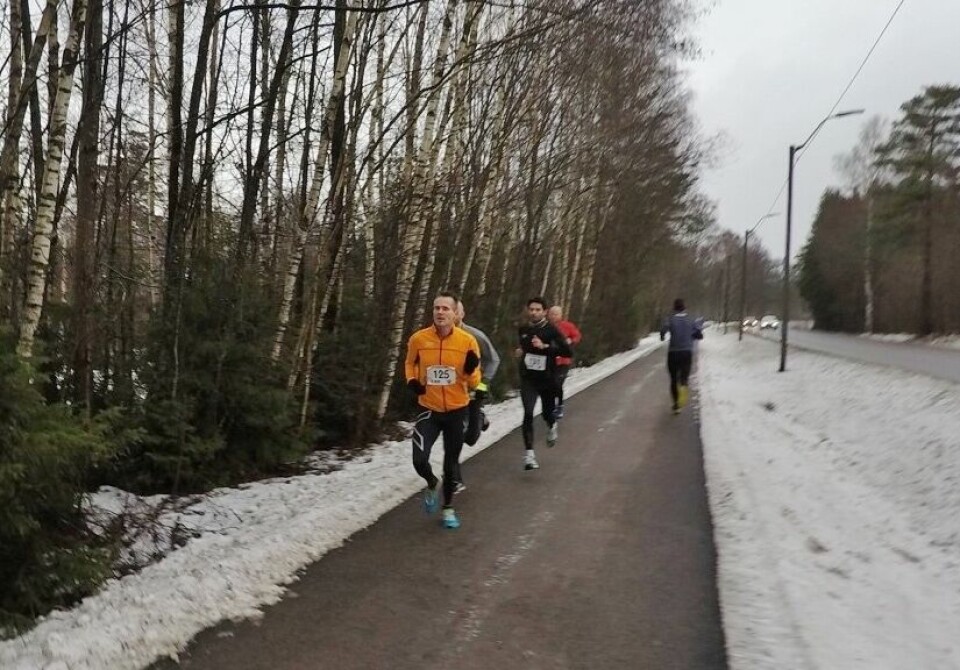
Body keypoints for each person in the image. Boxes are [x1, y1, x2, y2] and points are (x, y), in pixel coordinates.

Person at [404, 291, 482, 529]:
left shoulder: (467, 341)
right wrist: (412, 381)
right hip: (429, 409)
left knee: (451, 463)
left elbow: (474, 382)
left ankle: (448, 508)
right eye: (436, 308)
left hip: (457, 411)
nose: (440, 312)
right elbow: (410, 363)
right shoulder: (419, 338)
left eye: (445, 309)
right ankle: (430, 482)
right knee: (419, 459)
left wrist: (470, 370)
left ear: (455, 313)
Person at [516, 297, 572, 470]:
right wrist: (521, 352)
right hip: (528, 379)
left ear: (544, 312)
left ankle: (552, 425)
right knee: (528, 413)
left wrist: (545, 347)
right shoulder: (523, 329)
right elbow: (525, 348)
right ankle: (529, 455)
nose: (534, 312)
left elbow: (567, 351)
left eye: (537, 310)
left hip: (548, 379)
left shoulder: (552, 330)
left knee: (548, 413)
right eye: (531, 309)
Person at [451, 300, 501, 493]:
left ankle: (479, 418)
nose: (450, 315)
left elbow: (493, 359)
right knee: (453, 434)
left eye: (455, 311)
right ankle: (454, 479)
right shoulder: (435, 336)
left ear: (461, 315)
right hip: (449, 394)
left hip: (473, 392)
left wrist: (483, 383)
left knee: (470, 438)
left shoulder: (475, 336)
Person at [659, 298, 703, 414]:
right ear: (684, 307)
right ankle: (683, 386)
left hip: (673, 352)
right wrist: (696, 336)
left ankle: (676, 405)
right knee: (684, 377)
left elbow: (664, 329)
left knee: (673, 379)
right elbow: (698, 333)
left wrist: (662, 336)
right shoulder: (691, 319)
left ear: (674, 307)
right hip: (686, 352)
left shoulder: (670, 318)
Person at [546, 305, 582, 419]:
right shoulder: (546, 327)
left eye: (556, 314)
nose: (553, 316)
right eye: (552, 313)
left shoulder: (567, 326)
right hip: (549, 361)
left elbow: (577, 335)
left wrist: (570, 340)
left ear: (561, 315)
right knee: (550, 384)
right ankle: (550, 406)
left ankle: (559, 406)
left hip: (563, 361)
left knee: (558, 383)